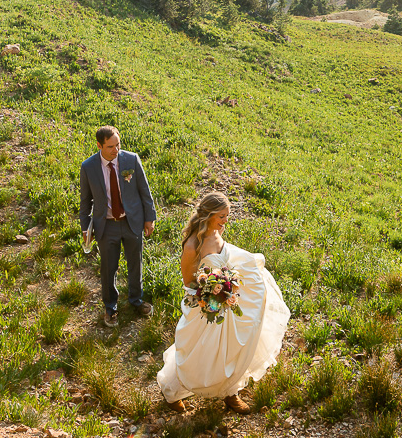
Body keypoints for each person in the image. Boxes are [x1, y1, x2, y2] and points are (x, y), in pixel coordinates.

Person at [157, 192, 290, 414]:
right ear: (208, 215)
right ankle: (173, 392)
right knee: (199, 352)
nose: (225, 220)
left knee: (233, 349)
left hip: (227, 302)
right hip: (205, 306)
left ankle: (230, 391)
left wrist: (231, 286)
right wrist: (208, 294)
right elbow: (188, 280)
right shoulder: (192, 244)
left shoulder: (218, 233)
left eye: (227, 215)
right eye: (221, 216)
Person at [79, 126, 157, 327]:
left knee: (135, 264)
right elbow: (85, 201)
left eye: (118, 145)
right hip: (106, 225)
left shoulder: (131, 159)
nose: (116, 150)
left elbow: (144, 191)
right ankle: (110, 308)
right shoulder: (88, 167)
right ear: (99, 146)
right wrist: (85, 227)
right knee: (108, 268)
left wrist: (149, 218)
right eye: (110, 146)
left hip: (132, 222)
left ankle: (136, 300)